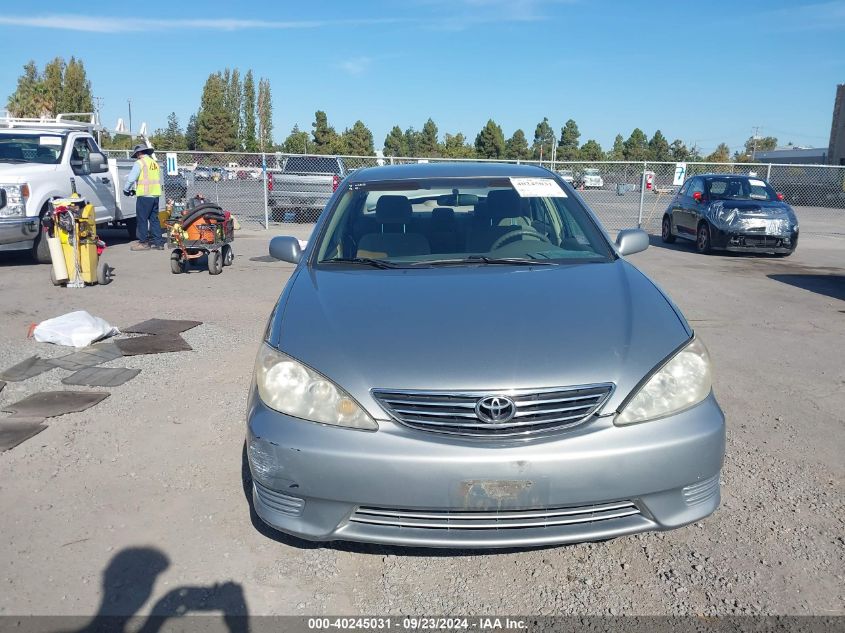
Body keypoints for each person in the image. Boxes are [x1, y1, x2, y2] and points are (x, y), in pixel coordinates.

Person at [123, 144, 164, 251]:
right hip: (155, 194)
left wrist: (126, 189)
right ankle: (158, 243)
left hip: (145, 195)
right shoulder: (154, 163)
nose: (136, 156)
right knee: (154, 219)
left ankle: (144, 243)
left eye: (136, 154)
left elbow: (132, 178)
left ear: (139, 153)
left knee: (142, 219)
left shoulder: (140, 163)